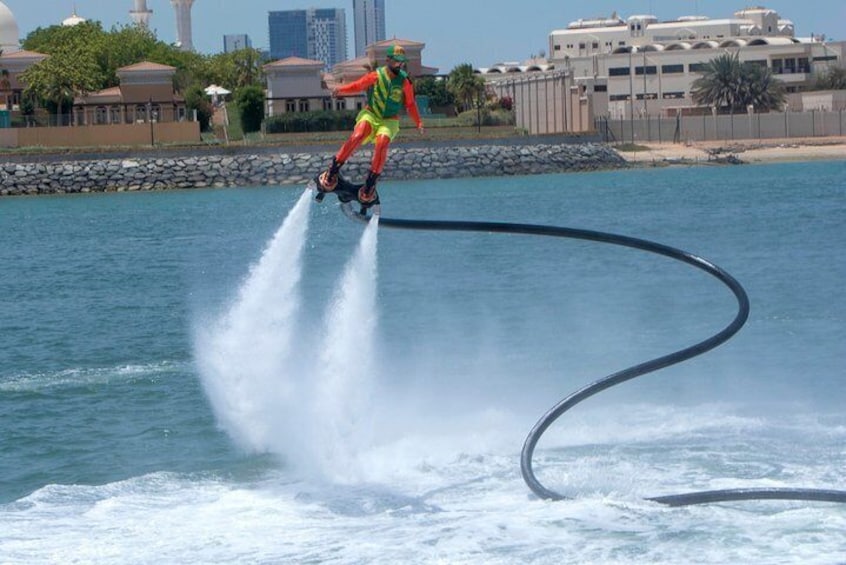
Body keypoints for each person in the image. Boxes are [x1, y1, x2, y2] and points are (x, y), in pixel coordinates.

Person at [319, 44, 424, 203]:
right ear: (388, 60)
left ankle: (369, 185)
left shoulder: (405, 81)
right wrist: (340, 90)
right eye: (396, 60)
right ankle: (333, 170)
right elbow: (358, 85)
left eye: (401, 61)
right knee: (359, 134)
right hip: (371, 114)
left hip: (389, 121)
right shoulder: (376, 75)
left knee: (382, 143)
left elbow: (410, 103)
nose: (399, 64)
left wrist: (419, 122)